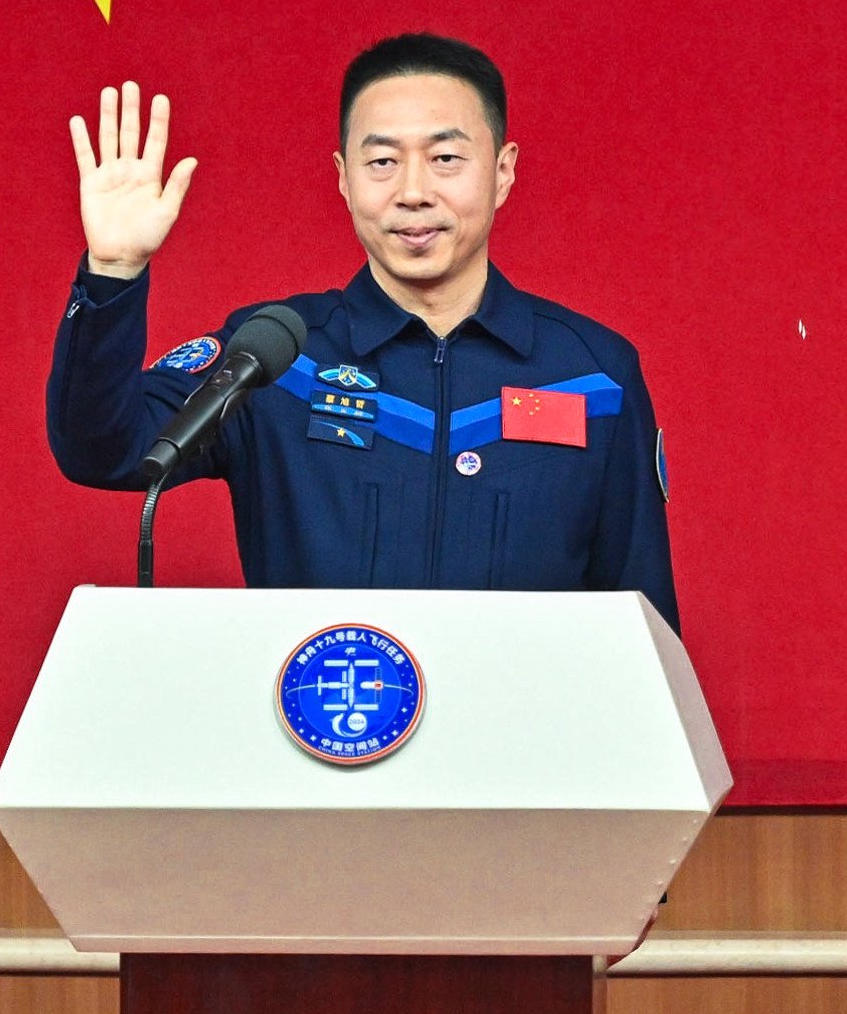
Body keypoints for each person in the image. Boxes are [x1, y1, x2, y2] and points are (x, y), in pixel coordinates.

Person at [48, 34, 678, 628]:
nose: (412, 192)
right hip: (317, 731)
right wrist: (114, 271)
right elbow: (105, 450)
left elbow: (643, 621)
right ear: (344, 178)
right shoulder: (275, 357)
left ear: (504, 170)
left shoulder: (594, 374)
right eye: (381, 161)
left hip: (524, 740)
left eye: (446, 158)